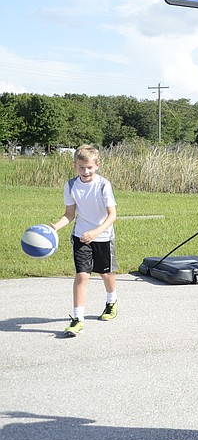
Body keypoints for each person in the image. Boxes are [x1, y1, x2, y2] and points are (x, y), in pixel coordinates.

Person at [49, 144, 119, 338]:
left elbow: (112, 215)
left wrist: (96, 232)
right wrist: (54, 227)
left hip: (103, 236)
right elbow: (69, 215)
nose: (85, 171)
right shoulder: (71, 185)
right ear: (75, 166)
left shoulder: (103, 184)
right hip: (80, 236)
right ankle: (78, 319)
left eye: (89, 167)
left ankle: (111, 302)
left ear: (97, 165)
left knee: (106, 275)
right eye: (81, 167)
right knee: (82, 276)